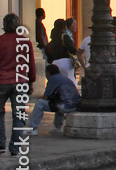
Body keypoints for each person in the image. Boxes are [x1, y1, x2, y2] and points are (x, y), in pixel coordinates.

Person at [1, 14, 36, 155]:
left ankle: (0, 144)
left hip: (2, 81)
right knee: (19, 116)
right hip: (20, 82)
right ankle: (15, 149)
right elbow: (31, 65)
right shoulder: (25, 42)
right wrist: (31, 82)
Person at [27, 64, 79, 134]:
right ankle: (58, 127)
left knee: (40, 103)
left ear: (48, 73)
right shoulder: (63, 78)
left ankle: (32, 128)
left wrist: (40, 98)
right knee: (58, 103)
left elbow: (46, 96)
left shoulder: (53, 79)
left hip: (65, 106)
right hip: (74, 105)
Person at [46, 18, 79, 87]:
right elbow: (72, 49)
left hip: (55, 63)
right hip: (66, 62)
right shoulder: (65, 36)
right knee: (70, 83)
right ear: (64, 27)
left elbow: (47, 51)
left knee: (58, 84)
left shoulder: (53, 38)